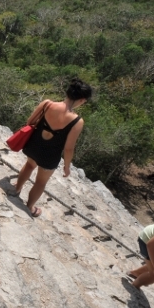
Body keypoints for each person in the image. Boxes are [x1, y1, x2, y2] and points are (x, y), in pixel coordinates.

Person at [10, 78, 92, 217]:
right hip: (50, 156)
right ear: (82, 100)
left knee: (29, 165)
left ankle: (16, 189)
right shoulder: (77, 121)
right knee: (41, 182)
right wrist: (67, 166)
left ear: (67, 92)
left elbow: (30, 122)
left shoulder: (47, 104)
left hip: (34, 146)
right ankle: (29, 207)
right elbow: (68, 148)